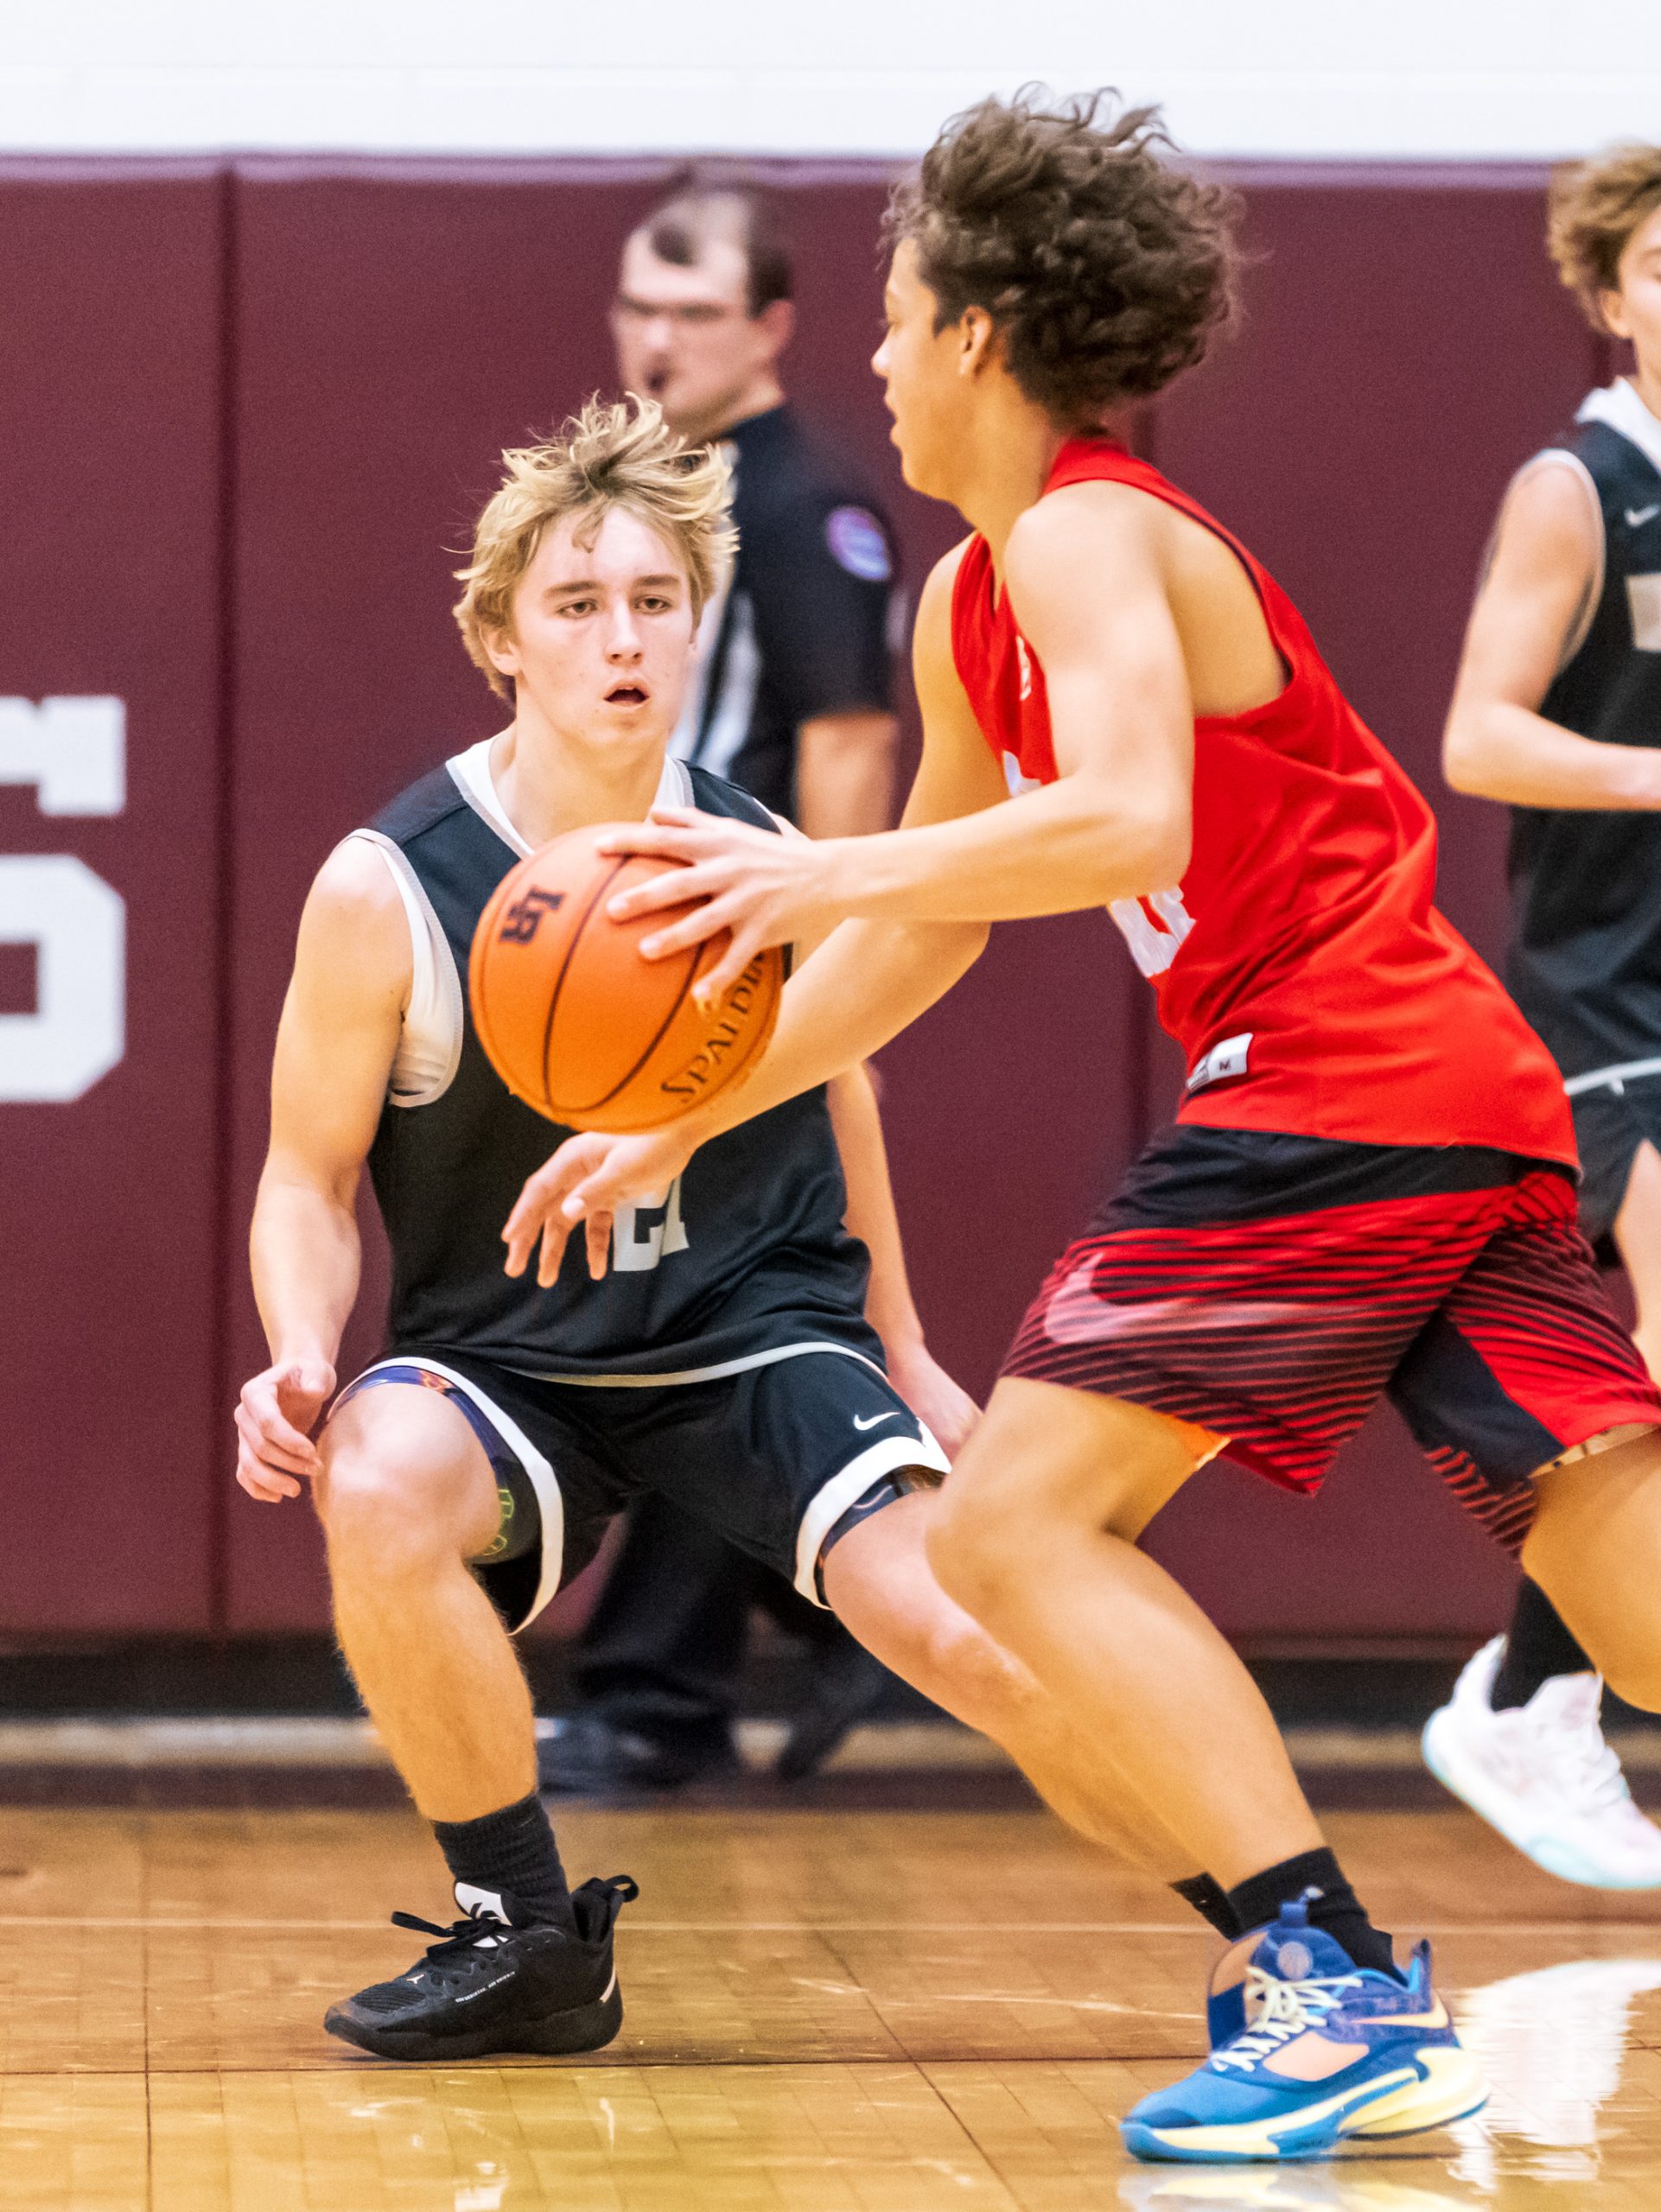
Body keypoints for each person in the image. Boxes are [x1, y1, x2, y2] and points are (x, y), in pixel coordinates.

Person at [505, 94, 1661, 2164]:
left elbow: (1125, 817)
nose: (874, 356)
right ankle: (1332, 1988)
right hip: (1446, 1084)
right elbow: (934, 926)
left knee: (1012, 1529)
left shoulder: (1086, 530)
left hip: (1334, 1073)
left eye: (893, 315)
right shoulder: (973, 596)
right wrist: (690, 1110)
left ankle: (1333, 1994)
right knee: (1622, 1567)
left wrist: (811, 872)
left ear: (975, 331)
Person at [233, 396, 1193, 2065]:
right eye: (576, 604)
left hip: (755, 1331)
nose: (622, 639)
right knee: (373, 1481)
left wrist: (903, 1348)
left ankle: (1293, 1933)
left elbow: (845, 1090)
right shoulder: (388, 886)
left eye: (655, 601)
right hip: (510, 1356)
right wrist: (302, 1355)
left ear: (698, 627)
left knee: (969, 1629)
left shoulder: (760, 859)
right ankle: (524, 1933)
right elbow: (303, 1180)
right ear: (500, 640)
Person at [540, 175, 908, 1796]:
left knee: (699, 1308)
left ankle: (659, 1696)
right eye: (639, 305)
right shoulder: (646, 497)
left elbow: (848, 746)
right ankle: (833, 1610)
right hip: (633, 945)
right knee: (661, 1294)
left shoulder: (803, 505)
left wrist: (833, 978)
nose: (657, 338)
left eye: (693, 312)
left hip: (740, 954)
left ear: (768, 328)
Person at [1423, 145, 1661, 1891]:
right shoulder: (1577, 488)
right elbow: (1478, 735)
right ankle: (1533, 1686)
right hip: (1609, 989)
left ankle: (1537, 1683)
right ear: (1608, 293)